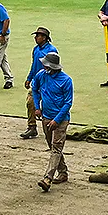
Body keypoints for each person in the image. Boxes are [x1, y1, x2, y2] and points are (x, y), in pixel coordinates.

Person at [32, 51, 74, 191]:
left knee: (56, 148)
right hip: (46, 117)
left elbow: (68, 103)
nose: (44, 68)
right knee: (53, 147)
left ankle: (47, 178)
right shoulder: (41, 76)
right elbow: (35, 89)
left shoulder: (66, 80)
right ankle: (63, 172)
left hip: (61, 120)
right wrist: (37, 107)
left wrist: (57, 120)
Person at [21, 26, 57, 139]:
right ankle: (32, 127)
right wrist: (29, 78)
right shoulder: (36, 49)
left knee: (50, 104)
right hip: (37, 81)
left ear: (44, 38)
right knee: (30, 102)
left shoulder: (52, 50)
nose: (36, 38)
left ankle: (54, 126)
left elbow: (55, 67)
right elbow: (34, 65)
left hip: (48, 82)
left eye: (38, 36)